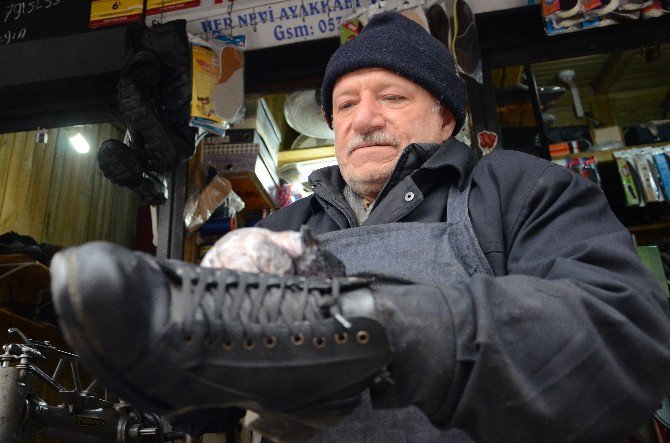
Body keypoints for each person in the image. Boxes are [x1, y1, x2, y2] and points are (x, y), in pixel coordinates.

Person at [50, 11, 670, 443]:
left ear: (446, 118)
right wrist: (170, 364)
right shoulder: (289, 225)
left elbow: (627, 335)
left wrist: (382, 327)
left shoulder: (514, 189)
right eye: (345, 105)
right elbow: (214, 404)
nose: (364, 119)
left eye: (393, 98)